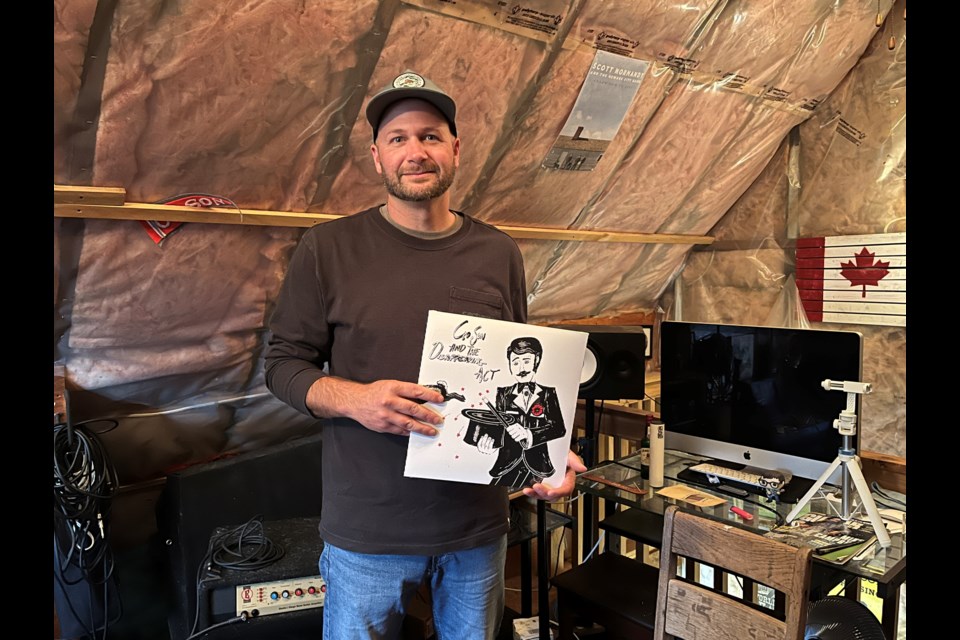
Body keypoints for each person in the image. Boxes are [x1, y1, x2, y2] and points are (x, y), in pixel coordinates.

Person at [264, 70, 586, 640]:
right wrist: (356, 399)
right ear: (377, 157)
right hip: (369, 531)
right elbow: (283, 365)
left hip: (476, 529)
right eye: (399, 138)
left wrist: (547, 456)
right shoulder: (326, 249)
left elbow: (521, 367)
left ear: (455, 150)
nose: (416, 151)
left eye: (431, 136)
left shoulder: (497, 252)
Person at [476, 337, 567, 489]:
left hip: (539, 467)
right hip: (507, 465)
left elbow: (558, 428)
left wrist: (529, 434)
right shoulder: (503, 394)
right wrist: (489, 443)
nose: (520, 368)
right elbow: (498, 425)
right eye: (515, 362)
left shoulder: (548, 394)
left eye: (526, 361)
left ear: (536, 361)